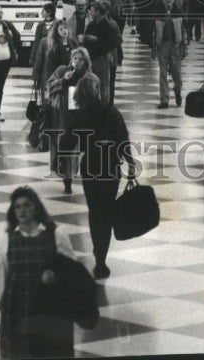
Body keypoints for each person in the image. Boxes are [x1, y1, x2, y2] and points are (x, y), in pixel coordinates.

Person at [0, 186, 76, 359]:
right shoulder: (6, 239)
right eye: (17, 207)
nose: (22, 210)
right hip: (16, 308)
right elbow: (0, 276)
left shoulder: (56, 234)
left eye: (27, 205)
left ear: (36, 207)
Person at [68, 73, 137, 279]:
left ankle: (97, 248)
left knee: (94, 211)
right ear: (98, 91)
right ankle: (100, 259)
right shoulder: (111, 112)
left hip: (90, 167)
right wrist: (131, 163)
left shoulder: (80, 115)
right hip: (111, 167)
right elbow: (123, 139)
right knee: (105, 213)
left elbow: (67, 142)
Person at [46, 47, 92, 193]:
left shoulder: (88, 77)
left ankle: (69, 177)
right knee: (63, 147)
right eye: (75, 59)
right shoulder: (61, 70)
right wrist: (63, 80)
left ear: (85, 62)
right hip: (61, 116)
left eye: (80, 59)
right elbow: (49, 86)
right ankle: (67, 179)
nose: (77, 62)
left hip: (78, 118)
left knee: (74, 149)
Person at [78, 1, 120, 105]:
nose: (90, 12)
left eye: (92, 10)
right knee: (92, 86)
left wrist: (96, 40)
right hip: (91, 59)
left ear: (98, 12)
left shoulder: (108, 26)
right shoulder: (92, 25)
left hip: (102, 59)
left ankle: (105, 111)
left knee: (104, 88)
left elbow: (114, 42)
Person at [151, 0, 187, 109]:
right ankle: (164, 100)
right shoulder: (157, 14)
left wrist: (185, 47)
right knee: (162, 73)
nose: (168, 1)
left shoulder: (179, 12)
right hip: (163, 46)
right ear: (162, 0)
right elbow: (154, 32)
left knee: (177, 73)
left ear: (173, 0)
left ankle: (177, 92)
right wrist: (153, 48)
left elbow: (183, 31)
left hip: (176, 46)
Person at [30, 3, 58, 68]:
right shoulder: (40, 25)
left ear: (49, 13)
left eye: (43, 11)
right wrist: (33, 56)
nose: (41, 13)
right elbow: (36, 42)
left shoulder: (58, 24)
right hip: (42, 55)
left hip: (54, 55)